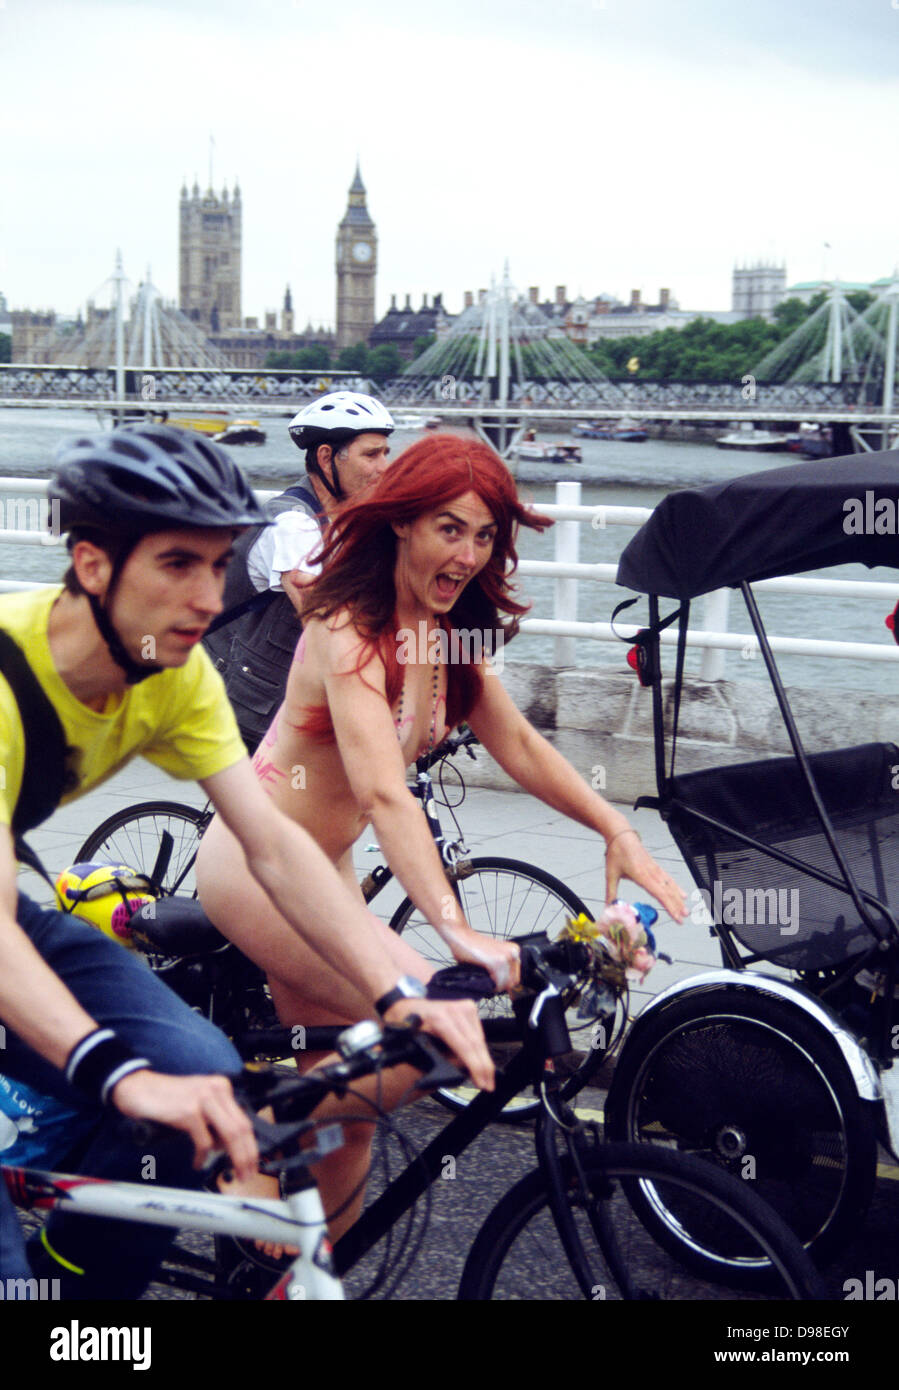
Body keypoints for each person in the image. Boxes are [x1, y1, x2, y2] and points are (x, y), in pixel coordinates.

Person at [0, 423, 491, 1299]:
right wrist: (118, 1077)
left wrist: (401, 989)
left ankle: (69, 1281)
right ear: (90, 564)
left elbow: (272, 845)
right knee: (143, 1084)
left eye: (220, 564)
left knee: (204, 1074)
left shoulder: (174, 676)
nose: (208, 596)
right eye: (178, 565)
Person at [196, 433, 687, 1240]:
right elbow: (385, 791)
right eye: (448, 528)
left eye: (485, 534)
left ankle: (303, 1278)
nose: (467, 553)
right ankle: (233, 1141)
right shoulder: (344, 624)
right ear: (401, 524)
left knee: (348, 1109)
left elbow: (518, 743)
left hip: (328, 870)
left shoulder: (443, 629)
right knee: (428, 1036)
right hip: (258, 863)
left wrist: (612, 824)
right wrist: (454, 933)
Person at [204, 391, 395, 751]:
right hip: (244, 703)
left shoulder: (351, 523)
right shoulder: (294, 525)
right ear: (326, 458)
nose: (385, 466)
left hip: (284, 698)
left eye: (386, 452)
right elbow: (328, 621)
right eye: (371, 454)